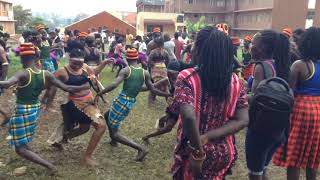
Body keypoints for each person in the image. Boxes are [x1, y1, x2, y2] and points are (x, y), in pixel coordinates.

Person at [166, 27, 249, 179]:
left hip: (193, 153)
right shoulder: (237, 82)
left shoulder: (187, 77)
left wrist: (198, 152)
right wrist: (208, 136)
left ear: (200, 51)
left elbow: (189, 117)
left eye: (195, 45)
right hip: (223, 153)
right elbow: (243, 119)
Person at [2, 43, 89, 175]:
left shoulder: (23, 73)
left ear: (22, 59)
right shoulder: (46, 73)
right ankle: (29, 150)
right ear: (36, 57)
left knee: (19, 148)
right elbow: (68, 88)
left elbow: (8, 83)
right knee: (20, 133)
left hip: (23, 110)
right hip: (34, 109)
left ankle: (49, 166)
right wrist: (85, 86)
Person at [95, 48, 172, 161]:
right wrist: (166, 92)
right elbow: (151, 89)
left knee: (115, 133)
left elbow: (114, 85)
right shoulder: (144, 72)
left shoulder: (126, 70)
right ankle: (114, 141)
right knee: (107, 116)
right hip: (128, 102)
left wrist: (100, 93)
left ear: (126, 58)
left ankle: (140, 149)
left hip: (122, 101)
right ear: (137, 58)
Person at [46, 40, 111, 167]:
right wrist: (48, 101)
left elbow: (94, 72)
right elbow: (49, 83)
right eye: (74, 63)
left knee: (84, 128)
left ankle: (61, 138)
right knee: (101, 126)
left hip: (89, 103)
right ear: (69, 59)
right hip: (76, 105)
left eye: (80, 64)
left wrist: (103, 63)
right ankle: (87, 157)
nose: (77, 66)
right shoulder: (62, 71)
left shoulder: (84, 66)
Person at [272, 27, 320, 180]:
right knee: (312, 160)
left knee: (294, 160)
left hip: (301, 112)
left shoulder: (299, 65)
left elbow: (289, 93)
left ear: (304, 43)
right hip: (319, 111)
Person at [246, 30, 291, 180]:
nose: (251, 46)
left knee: (255, 173)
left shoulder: (261, 67)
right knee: (263, 169)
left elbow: (255, 98)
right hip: (279, 129)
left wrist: (237, 95)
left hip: (261, 128)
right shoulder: (280, 64)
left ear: (263, 47)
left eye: (254, 43)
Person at [142, 60, 194, 144]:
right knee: (168, 128)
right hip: (175, 107)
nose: (171, 75)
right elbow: (154, 90)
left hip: (181, 105)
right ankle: (147, 137)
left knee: (175, 125)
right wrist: (168, 95)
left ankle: (161, 122)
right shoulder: (167, 79)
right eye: (169, 72)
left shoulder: (184, 78)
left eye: (173, 73)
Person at [148, 36, 170, 104]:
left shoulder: (153, 52)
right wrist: (164, 65)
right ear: (163, 44)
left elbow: (149, 61)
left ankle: (151, 100)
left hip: (155, 68)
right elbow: (168, 60)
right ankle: (168, 101)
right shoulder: (165, 52)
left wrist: (151, 66)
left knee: (155, 85)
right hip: (163, 68)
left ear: (155, 44)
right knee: (165, 85)